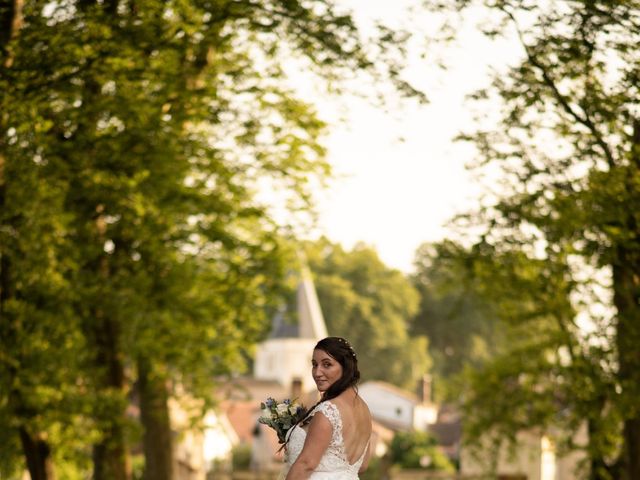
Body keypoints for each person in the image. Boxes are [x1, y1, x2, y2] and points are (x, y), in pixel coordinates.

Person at [284, 337, 373, 480]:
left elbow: (306, 464)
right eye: (314, 364)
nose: (317, 373)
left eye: (327, 364)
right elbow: (363, 465)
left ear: (346, 367)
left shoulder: (328, 411)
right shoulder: (365, 410)